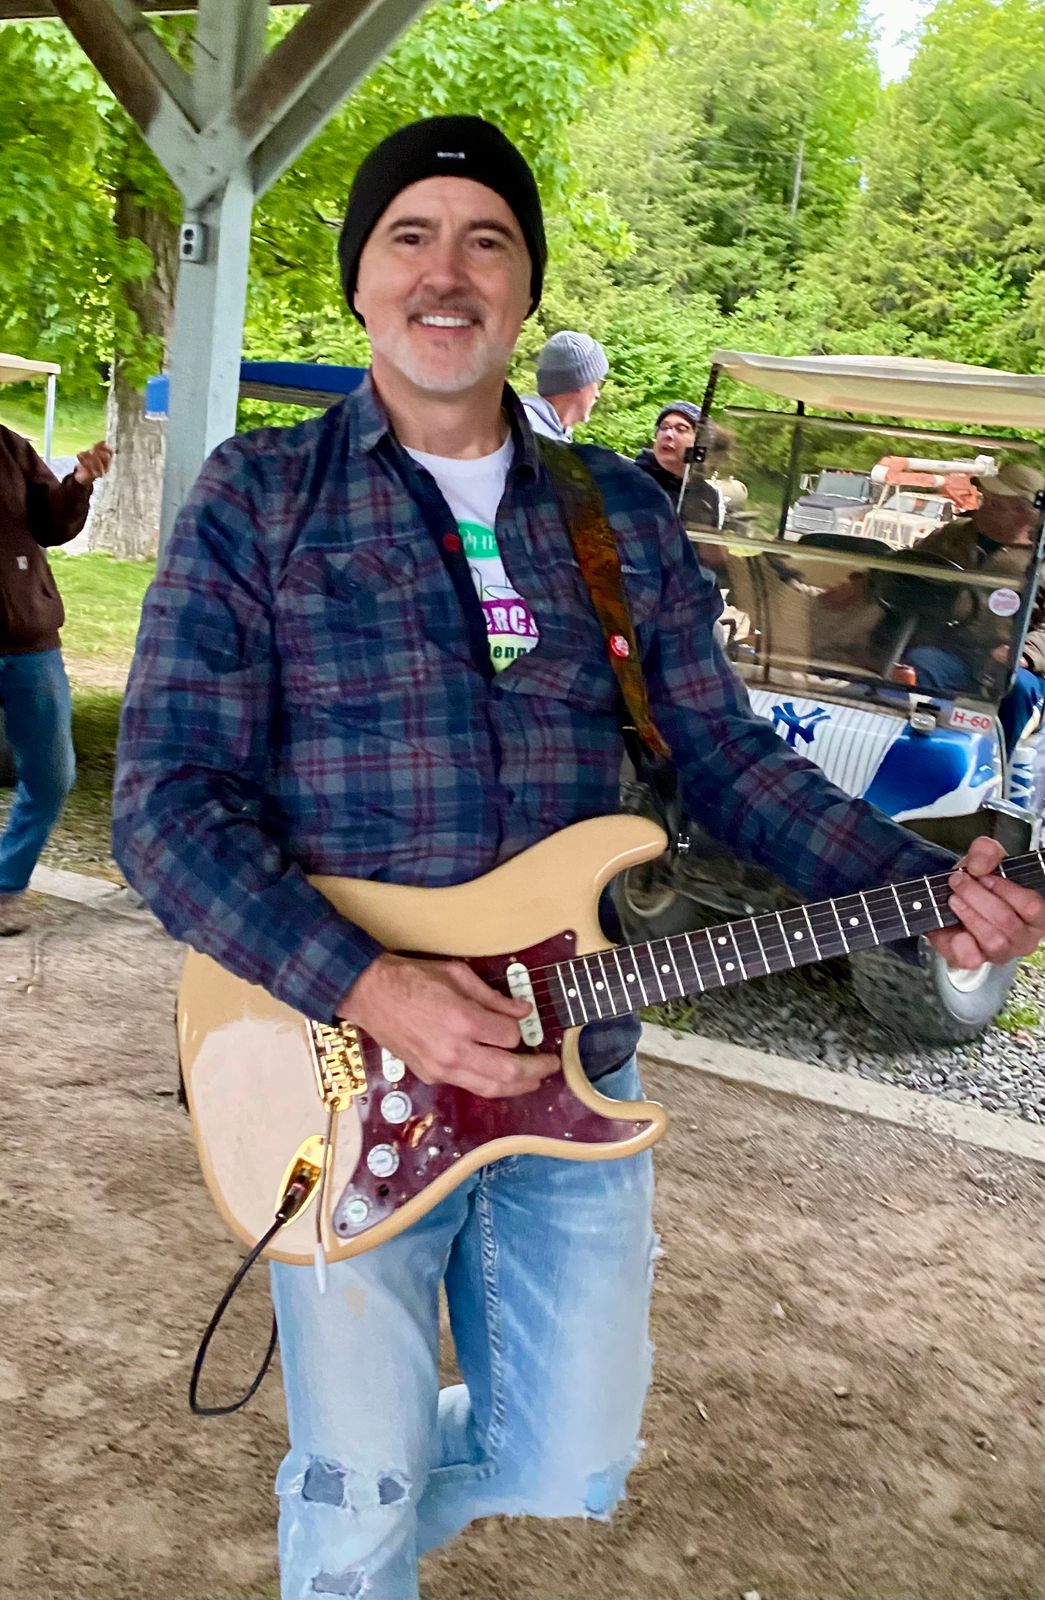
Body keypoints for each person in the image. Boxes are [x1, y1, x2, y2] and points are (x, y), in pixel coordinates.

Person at [112, 116, 1045, 1600]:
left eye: (486, 241)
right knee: (360, 1496)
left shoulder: (612, 512)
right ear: (361, 279)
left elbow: (721, 755)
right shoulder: (259, 498)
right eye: (409, 236)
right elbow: (164, 809)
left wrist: (914, 887)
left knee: (570, 1461)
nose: (446, 272)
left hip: (573, 1067)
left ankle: (355, 1496)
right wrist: (373, 985)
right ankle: (350, 1509)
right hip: (333, 1069)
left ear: (525, 287)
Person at [0, 427, 111, 935]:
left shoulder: (10, 447)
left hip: (30, 643)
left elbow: (51, 524)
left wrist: (80, 480)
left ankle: (5, 886)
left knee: (52, 775)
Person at [903, 462, 1044, 753]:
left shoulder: (1040, 557)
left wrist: (1024, 654)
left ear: (1027, 514)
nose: (983, 508)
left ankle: (1000, 761)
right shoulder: (953, 535)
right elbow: (905, 570)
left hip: (1013, 665)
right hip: (953, 652)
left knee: (1016, 687)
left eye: (996, 505)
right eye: (985, 500)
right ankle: (920, 750)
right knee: (919, 662)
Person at [634, 400, 725, 529]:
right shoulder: (630, 480)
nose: (668, 434)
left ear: (701, 444)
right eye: (664, 428)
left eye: (681, 429)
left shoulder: (707, 495)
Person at [520, 329, 608, 441]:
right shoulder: (519, 425)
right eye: (598, 382)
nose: (597, 394)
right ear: (580, 382)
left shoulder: (558, 436)